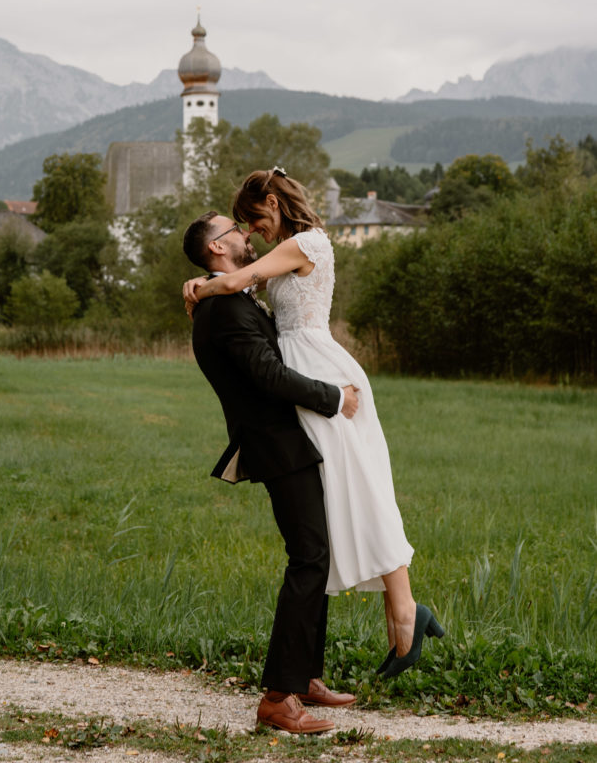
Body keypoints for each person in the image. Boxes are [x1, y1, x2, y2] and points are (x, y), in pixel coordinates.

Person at [183, 168, 443, 682]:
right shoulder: (276, 255)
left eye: (251, 221)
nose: (249, 232)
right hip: (304, 378)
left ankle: (405, 613)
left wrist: (201, 286)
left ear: (274, 206)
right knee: (347, 499)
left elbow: (236, 281)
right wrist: (212, 283)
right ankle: (394, 620)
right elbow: (244, 293)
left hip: (321, 373)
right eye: (237, 228)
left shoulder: (306, 242)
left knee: (363, 489)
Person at [182, 209, 361, 734]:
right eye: (234, 230)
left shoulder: (223, 298)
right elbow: (267, 374)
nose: (245, 234)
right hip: (277, 444)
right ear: (217, 248)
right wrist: (333, 397)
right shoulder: (222, 310)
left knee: (315, 555)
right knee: (308, 558)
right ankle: (278, 698)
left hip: (288, 439)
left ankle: (304, 676)